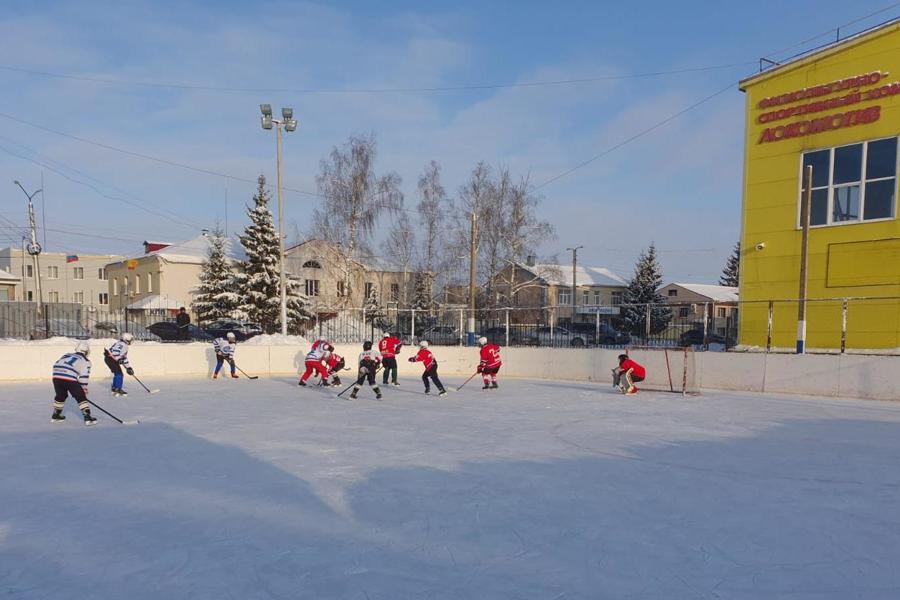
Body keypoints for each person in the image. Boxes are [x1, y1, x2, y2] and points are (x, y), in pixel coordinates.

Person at [51, 341, 97, 425]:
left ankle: (56, 415)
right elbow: (84, 378)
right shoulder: (86, 361)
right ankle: (88, 417)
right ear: (86, 351)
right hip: (69, 378)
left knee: (61, 395)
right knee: (80, 397)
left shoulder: (67, 354)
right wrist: (83, 390)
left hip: (56, 376)